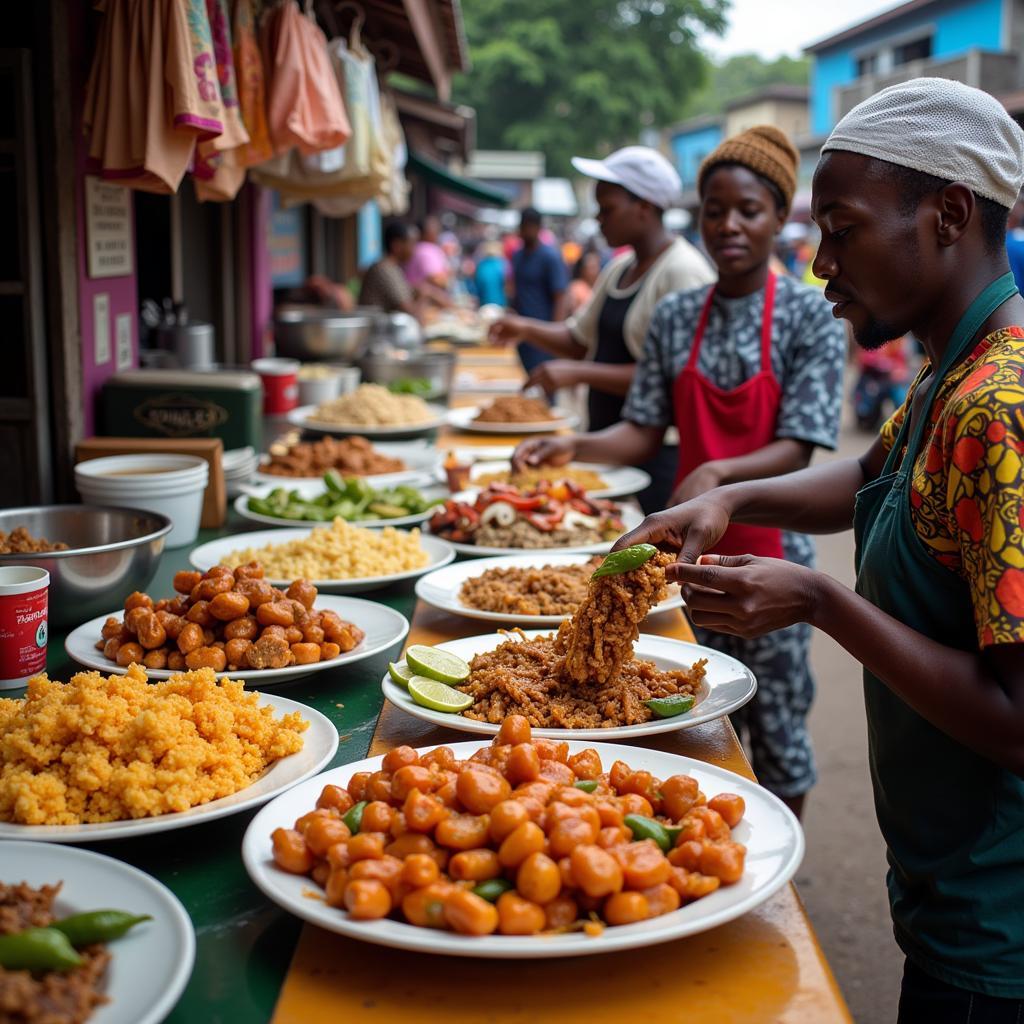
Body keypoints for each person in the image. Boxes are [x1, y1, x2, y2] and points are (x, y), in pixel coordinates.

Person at [612, 79, 1024, 1021]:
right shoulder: (947, 374)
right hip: (944, 884)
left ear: (948, 214)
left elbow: (1017, 721)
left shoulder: (1002, 408)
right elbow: (867, 477)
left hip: (996, 925)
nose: (822, 265)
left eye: (841, 229)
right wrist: (729, 493)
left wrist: (817, 600)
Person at [512, 127, 845, 814]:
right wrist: (573, 445)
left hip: (773, 559)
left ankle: (779, 874)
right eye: (713, 211)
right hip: (686, 561)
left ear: (780, 217)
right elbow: (642, 430)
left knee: (779, 738)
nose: (728, 226)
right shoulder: (676, 314)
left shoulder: (809, 317)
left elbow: (801, 445)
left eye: (748, 211)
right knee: (689, 730)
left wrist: (718, 473)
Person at [491, 146, 716, 509]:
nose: (598, 219)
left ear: (644, 206)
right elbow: (580, 341)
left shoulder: (682, 271)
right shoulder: (620, 268)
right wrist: (525, 328)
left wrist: (579, 373)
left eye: (607, 209)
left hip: (660, 453)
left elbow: (675, 378)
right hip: (608, 443)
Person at [506, 208, 569, 371]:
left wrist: (555, 338)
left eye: (530, 226)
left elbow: (560, 297)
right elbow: (516, 290)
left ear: (538, 228)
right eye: (523, 226)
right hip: (522, 333)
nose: (526, 231)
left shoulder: (550, 257)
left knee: (543, 385)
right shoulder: (518, 256)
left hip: (543, 333)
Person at [359, 222, 420, 316]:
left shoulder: (392, 267)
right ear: (397, 245)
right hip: (378, 328)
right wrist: (425, 297)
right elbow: (409, 310)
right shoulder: (385, 269)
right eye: (411, 244)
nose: (414, 249)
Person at [405, 215, 450, 291]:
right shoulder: (425, 250)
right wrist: (448, 281)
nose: (438, 231)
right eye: (434, 227)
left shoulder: (417, 248)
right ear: (426, 232)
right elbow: (434, 279)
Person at [473, 240, 507, 307]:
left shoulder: (481, 266)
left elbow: (477, 285)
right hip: (499, 302)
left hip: (484, 302)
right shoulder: (501, 264)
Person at [567, 250, 601, 314]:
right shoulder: (576, 287)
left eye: (597, 266)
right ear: (583, 269)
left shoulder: (598, 285)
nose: (596, 270)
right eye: (592, 267)